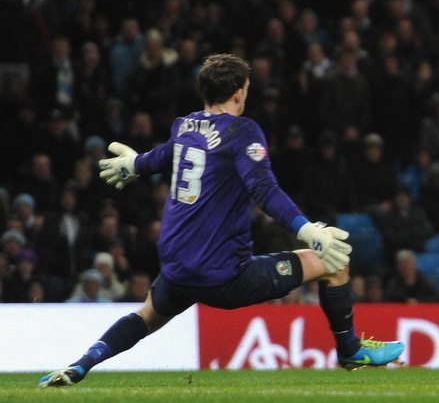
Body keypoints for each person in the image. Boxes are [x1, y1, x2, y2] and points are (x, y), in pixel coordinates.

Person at [39, 54, 403, 388]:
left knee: (147, 316)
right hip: (225, 278)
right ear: (238, 92)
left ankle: (81, 365)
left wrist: (135, 164)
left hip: (178, 271)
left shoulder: (185, 126)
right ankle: (350, 350)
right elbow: (264, 189)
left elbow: (166, 154)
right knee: (332, 262)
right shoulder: (241, 132)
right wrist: (306, 229)